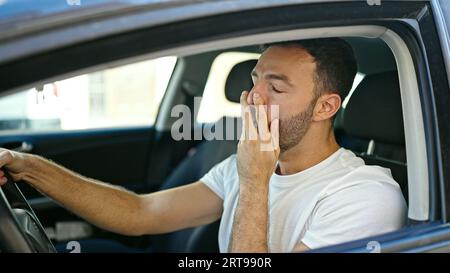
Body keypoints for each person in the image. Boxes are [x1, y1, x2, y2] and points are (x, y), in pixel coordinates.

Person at [0, 38, 407, 253]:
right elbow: (142, 213)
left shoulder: (364, 196)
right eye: (254, 81)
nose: (252, 98)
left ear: (325, 106)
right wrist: (30, 166)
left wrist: (254, 181)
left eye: (276, 87)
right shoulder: (246, 164)